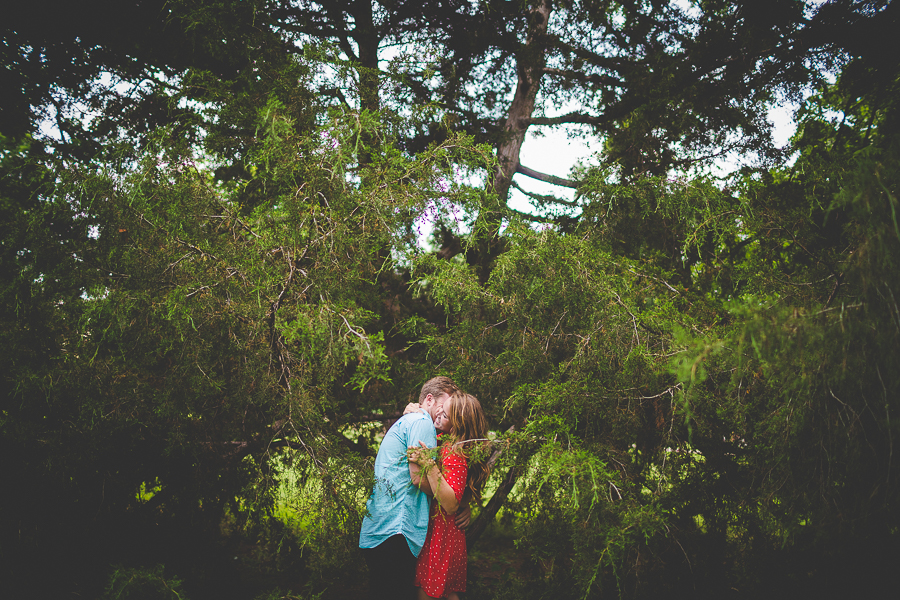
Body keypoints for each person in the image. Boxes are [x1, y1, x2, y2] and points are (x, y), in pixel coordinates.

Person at [359, 376, 459, 600]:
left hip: (382, 528)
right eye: (445, 405)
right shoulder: (422, 423)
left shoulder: (410, 420)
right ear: (430, 399)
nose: (447, 413)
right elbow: (418, 478)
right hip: (397, 530)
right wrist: (452, 501)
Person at [407, 392, 490, 600]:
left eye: (444, 415)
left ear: (456, 425)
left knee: (428, 591)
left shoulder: (454, 453)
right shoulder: (446, 443)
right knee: (445, 592)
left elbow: (451, 503)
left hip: (442, 536)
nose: (438, 414)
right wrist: (414, 410)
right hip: (444, 534)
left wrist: (428, 464)